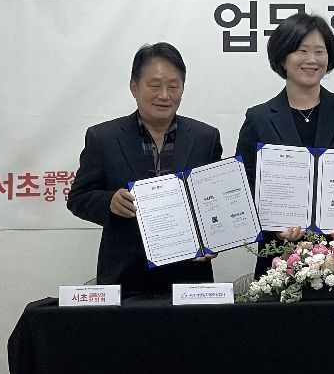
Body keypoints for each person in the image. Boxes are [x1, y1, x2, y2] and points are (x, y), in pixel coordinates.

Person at [67, 42, 223, 293]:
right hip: (125, 279)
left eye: (174, 86)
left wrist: (215, 236)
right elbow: (78, 198)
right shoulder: (103, 138)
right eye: (154, 85)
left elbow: (214, 201)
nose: (164, 95)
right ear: (134, 87)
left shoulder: (206, 138)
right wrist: (109, 202)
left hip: (189, 279)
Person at [235, 13, 334, 279]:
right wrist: (273, 226)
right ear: (282, 57)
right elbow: (244, 184)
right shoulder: (259, 118)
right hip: (280, 261)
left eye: (319, 51)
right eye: (302, 51)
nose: (312, 59)